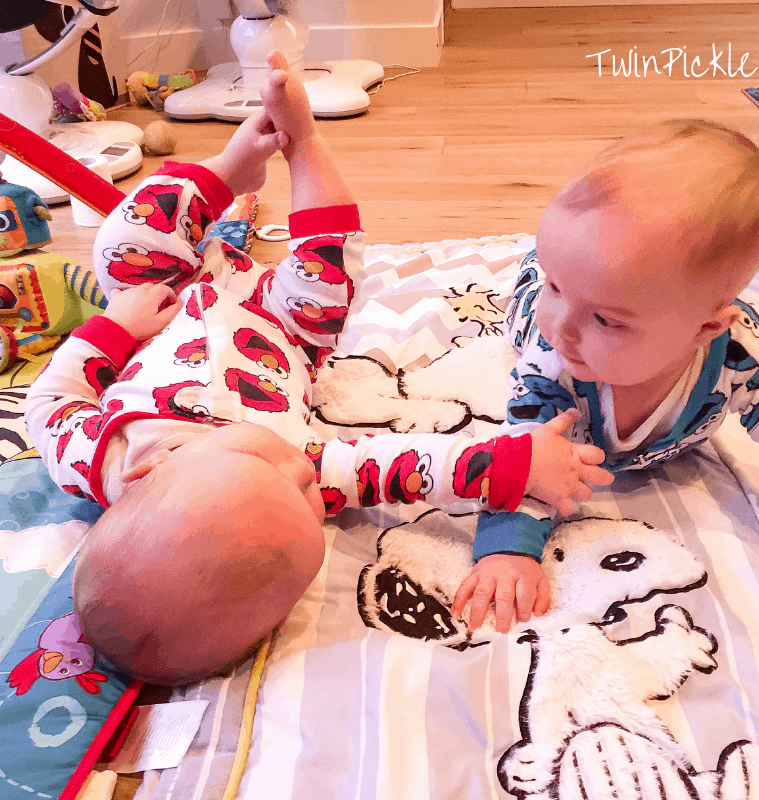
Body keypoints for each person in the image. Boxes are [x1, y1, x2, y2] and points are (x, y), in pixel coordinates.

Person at [25, 52, 612, 685]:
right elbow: (408, 467)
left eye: (273, 468)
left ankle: (228, 170)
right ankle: (304, 144)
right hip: (280, 329)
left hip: (162, 301)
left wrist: (114, 330)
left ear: (149, 472)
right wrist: (518, 462)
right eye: (312, 505)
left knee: (124, 247)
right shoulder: (291, 479)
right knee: (328, 275)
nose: (307, 470)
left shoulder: (99, 456)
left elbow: (50, 398)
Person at [452, 118, 759, 635]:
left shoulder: (745, 355)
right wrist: (508, 548)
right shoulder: (552, 358)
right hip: (525, 307)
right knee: (532, 306)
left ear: (706, 328)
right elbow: (526, 456)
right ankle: (535, 271)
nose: (563, 328)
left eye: (606, 319)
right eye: (558, 286)